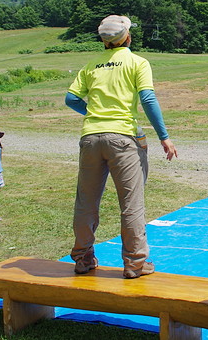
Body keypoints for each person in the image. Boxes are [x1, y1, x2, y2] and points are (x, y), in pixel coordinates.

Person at [66, 14, 177, 279]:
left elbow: (71, 98)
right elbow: (148, 99)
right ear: (127, 36)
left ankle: (83, 259)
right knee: (131, 204)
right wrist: (164, 136)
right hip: (124, 139)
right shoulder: (138, 62)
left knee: (86, 203)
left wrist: (94, 113)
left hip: (91, 137)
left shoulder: (91, 65)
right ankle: (135, 264)